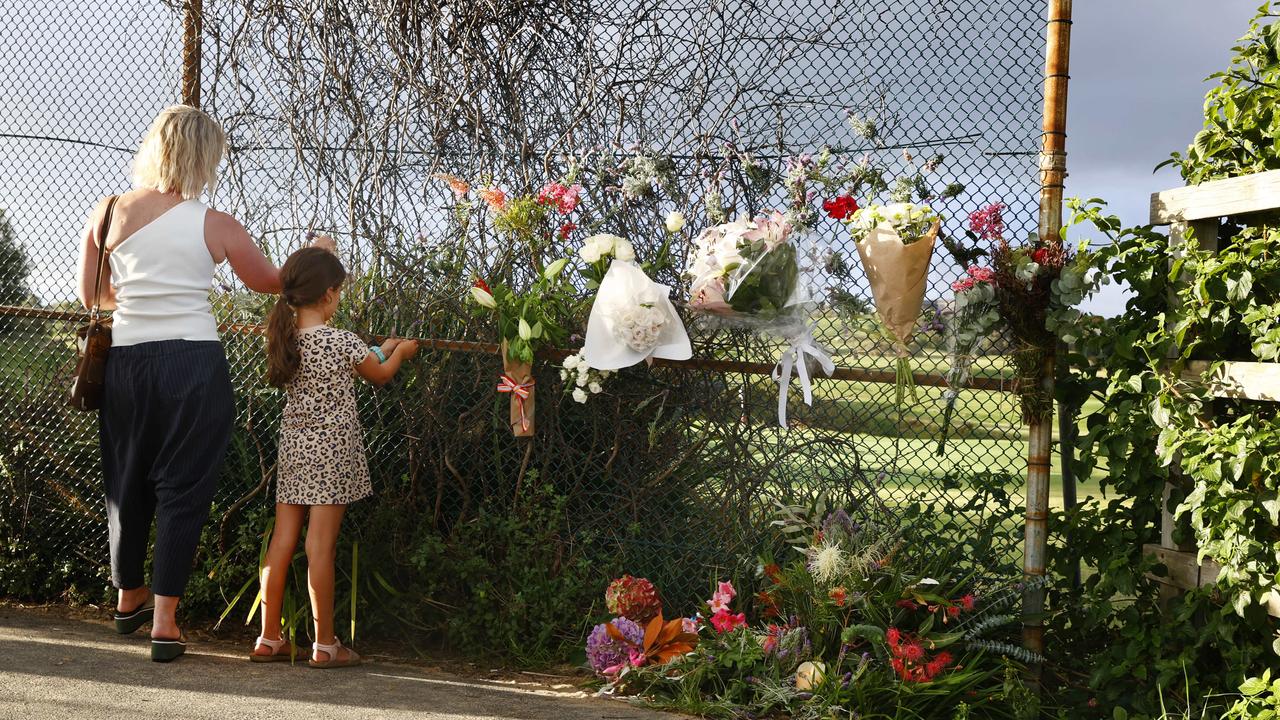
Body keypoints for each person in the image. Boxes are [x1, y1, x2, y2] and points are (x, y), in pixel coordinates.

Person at [76, 104, 334, 662]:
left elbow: (91, 296)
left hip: (124, 363)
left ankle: (127, 600)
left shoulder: (107, 212)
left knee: (126, 478)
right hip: (193, 363)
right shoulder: (214, 224)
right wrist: (317, 253)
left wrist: (141, 301)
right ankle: (164, 623)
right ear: (204, 157)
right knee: (183, 486)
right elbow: (274, 284)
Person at [250, 247, 417, 668]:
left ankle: (269, 637)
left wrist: (380, 349)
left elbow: (364, 360)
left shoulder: (287, 339)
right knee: (319, 546)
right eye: (339, 291)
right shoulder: (340, 340)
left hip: (295, 451)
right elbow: (378, 373)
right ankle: (325, 645)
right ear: (328, 294)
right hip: (333, 455)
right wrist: (400, 351)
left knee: (283, 542)